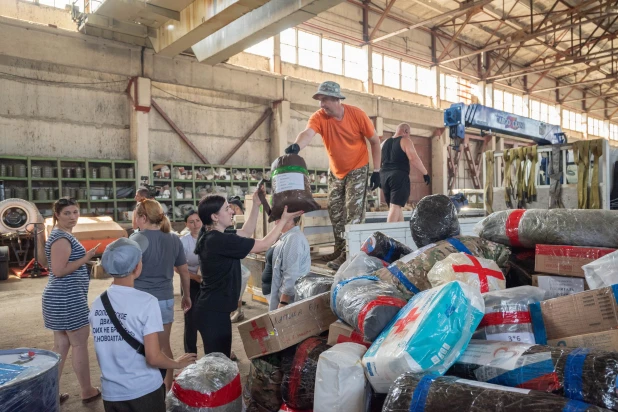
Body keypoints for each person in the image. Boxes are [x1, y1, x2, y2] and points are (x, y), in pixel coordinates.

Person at [192, 189, 303, 358]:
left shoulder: (214, 234)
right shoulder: (217, 240)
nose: (232, 211)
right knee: (217, 363)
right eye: (227, 208)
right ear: (215, 217)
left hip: (214, 309)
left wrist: (256, 205)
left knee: (220, 358)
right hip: (213, 312)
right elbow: (264, 244)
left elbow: (245, 232)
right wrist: (283, 221)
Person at [89, 238, 196, 412]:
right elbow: (153, 357)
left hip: (111, 394)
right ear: (137, 268)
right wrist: (177, 364)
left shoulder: (98, 303)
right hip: (143, 391)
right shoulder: (147, 302)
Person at [286, 81, 381, 270]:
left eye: (325, 100)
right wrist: (296, 147)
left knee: (353, 213)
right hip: (336, 171)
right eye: (320, 100)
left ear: (337, 99)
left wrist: (377, 171)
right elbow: (307, 133)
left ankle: (350, 254)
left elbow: (375, 142)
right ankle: (339, 249)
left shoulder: (357, 115)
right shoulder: (319, 117)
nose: (321, 104)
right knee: (335, 212)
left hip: (358, 168)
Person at [42, 197, 101, 405]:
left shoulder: (62, 234)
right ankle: (87, 390)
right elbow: (58, 271)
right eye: (67, 213)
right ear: (57, 214)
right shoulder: (61, 238)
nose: (73, 217)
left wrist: (85, 258)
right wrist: (86, 258)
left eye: (75, 212)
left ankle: (49, 394)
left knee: (61, 345)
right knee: (79, 343)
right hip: (66, 298)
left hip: (62, 297)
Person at [130, 199, 192, 391]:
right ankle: (166, 388)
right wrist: (186, 295)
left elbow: (127, 272)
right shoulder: (174, 238)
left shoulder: (136, 239)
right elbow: (184, 271)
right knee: (164, 345)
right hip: (165, 299)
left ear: (142, 217)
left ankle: (144, 385)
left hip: (140, 300)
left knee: (139, 345)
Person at [381, 123, 431, 222]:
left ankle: (400, 234)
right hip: (398, 176)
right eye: (409, 133)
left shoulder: (384, 143)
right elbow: (413, 158)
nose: (409, 136)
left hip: (384, 176)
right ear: (406, 131)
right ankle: (388, 234)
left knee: (395, 206)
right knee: (395, 207)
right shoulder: (405, 140)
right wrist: (425, 173)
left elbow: (378, 159)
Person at [269, 216, 310, 310]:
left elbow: (291, 275)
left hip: (283, 300)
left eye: (280, 217)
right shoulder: (285, 235)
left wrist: (283, 303)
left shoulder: (293, 238)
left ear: (290, 220)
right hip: (276, 295)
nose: (276, 221)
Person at [179, 210, 203, 354]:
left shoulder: (209, 237)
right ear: (186, 224)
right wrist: (195, 277)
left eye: (198, 220)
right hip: (189, 282)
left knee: (208, 318)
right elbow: (177, 267)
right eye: (191, 222)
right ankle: (190, 356)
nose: (195, 225)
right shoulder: (183, 241)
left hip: (207, 282)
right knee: (190, 320)